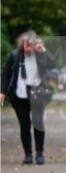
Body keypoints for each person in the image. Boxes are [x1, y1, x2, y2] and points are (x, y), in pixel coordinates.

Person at [1, 31, 57, 164]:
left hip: (37, 92)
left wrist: (44, 51)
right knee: (24, 125)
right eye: (27, 46)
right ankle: (28, 155)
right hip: (19, 94)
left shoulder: (40, 55)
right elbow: (5, 74)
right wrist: (2, 92)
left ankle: (39, 153)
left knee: (38, 123)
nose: (30, 49)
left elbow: (52, 65)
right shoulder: (15, 56)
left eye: (32, 46)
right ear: (22, 45)